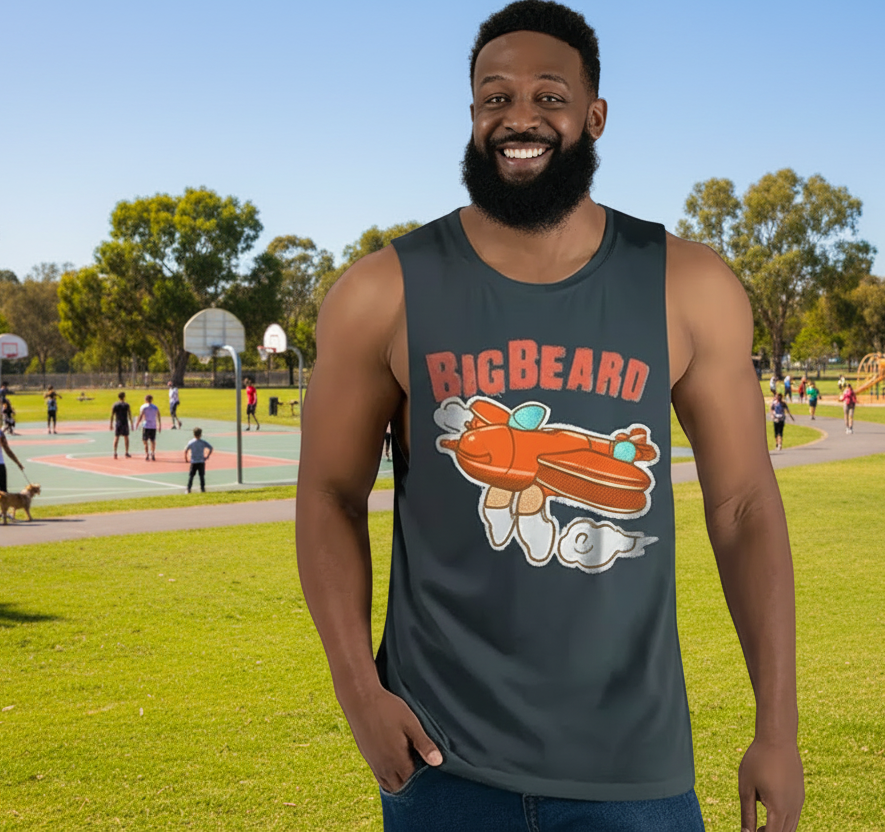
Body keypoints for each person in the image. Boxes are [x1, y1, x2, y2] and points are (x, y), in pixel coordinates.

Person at [294, 5, 802, 831]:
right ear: (472, 115)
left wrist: (776, 728)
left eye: (549, 96)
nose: (519, 117)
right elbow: (328, 496)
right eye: (496, 97)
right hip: (442, 765)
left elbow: (743, 505)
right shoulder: (382, 292)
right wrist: (359, 692)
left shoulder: (686, 284)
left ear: (594, 116)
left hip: (634, 769)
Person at [183, 427, 214, 493]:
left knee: (191, 476)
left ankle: (188, 489)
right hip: (201, 461)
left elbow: (186, 450)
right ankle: (202, 489)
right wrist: (207, 456)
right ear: (200, 434)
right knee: (201, 476)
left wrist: (186, 458)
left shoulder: (191, 442)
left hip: (194, 461)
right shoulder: (202, 442)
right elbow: (211, 448)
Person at [135, 394, 162, 461]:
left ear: (145, 400)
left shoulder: (143, 407)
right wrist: (159, 425)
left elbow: (141, 415)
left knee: (145, 441)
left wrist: (137, 423)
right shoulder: (155, 407)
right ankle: (152, 453)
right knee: (152, 440)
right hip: (153, 426)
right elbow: (158, 416)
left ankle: (147, 454)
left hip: (146, 425)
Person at [110, 391, 132, 459]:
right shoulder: (126, 405)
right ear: (124, 397)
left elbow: (112, 415)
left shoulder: (115, 405)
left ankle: (115, 452)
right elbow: (129, 414)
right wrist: (131, 423)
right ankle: (126, 452)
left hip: (118, 423)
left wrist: (111, 424)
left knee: (116, 437)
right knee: (126, 437)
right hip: (124, 422)